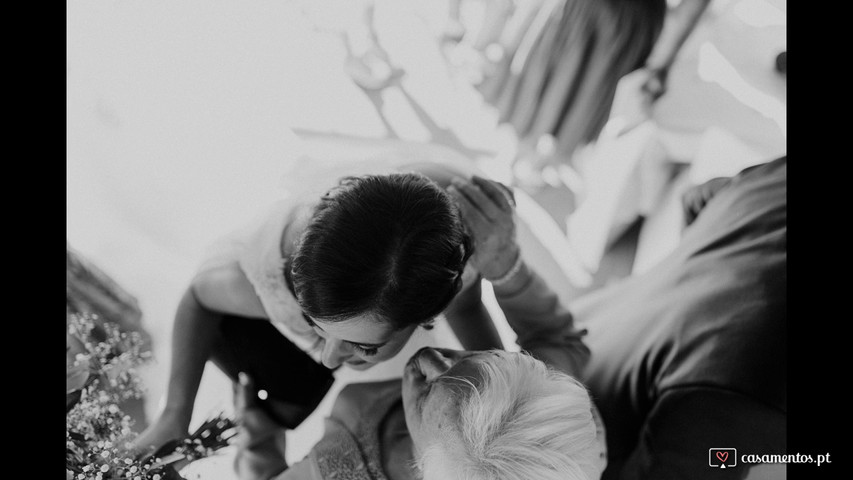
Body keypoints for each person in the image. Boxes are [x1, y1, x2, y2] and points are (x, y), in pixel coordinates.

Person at [231, 175, 607, 480]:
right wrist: (506, 267)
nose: (427, 356)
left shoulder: (336, 468)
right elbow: (559, 341)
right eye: (483, 367)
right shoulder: (561, 429)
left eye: (428, 397)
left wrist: (257, 432)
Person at [132, 162, 506, 459]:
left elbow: (468, 310)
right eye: (314, 323)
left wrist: (505, 392)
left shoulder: (460, 255)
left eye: (366, 347)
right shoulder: (274, 275)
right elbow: (197, 296)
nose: (329, 359)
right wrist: (175, 414)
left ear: (429, 315)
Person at [575, 157, 786, 479]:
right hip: (575, 443)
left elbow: (700, 197)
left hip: (588, 331)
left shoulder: (778, 175)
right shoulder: (739, 398)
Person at [461, 0, 711, 183]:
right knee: (571, 83)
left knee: (562, 77)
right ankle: (532, 156)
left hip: (619, 17)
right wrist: (660, 62)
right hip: (627, 19)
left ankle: (530, 154)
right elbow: (690, 9)